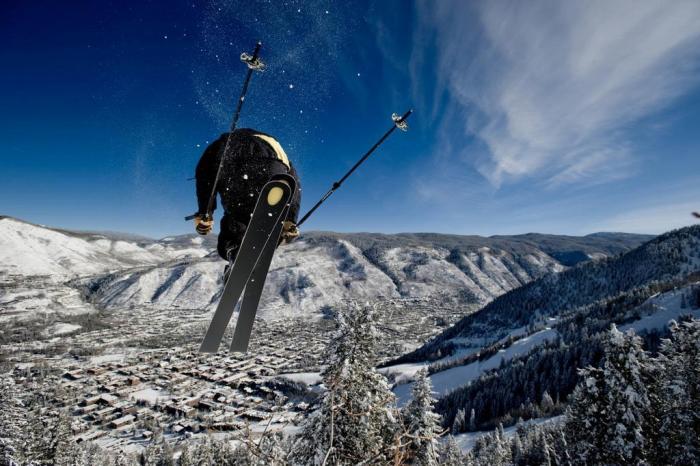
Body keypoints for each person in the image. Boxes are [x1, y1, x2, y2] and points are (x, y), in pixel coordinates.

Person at [192, 128, 301, 267]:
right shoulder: (273, 143)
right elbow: (293, 182)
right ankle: (253, 252)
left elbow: (204, 174)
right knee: (271, 227)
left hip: (232, 163)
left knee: (237, 218)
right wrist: (290, 218)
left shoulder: (220, 143)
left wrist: (205, 212)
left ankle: (235, 250)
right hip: (274, 163)